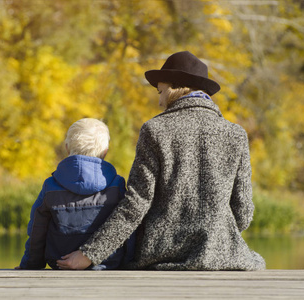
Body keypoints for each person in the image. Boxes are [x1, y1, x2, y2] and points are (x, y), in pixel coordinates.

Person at [57, 51, 266, 271]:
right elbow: (243, 214)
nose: (159, 101)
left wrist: (89, 254)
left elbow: (136, 203)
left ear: (177, 87)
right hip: (222, 256)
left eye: (161, 91)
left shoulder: (155, 130)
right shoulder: (236, 134)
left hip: (164, 256)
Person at [16, 118, 134, 270]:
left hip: (61, 264)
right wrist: (129, 262)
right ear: (105, 152)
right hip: (107, 264)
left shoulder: (51, 186)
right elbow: (128, 227)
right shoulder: (116, 185)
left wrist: (31, 265)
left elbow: (37, 230)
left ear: (66, 148)